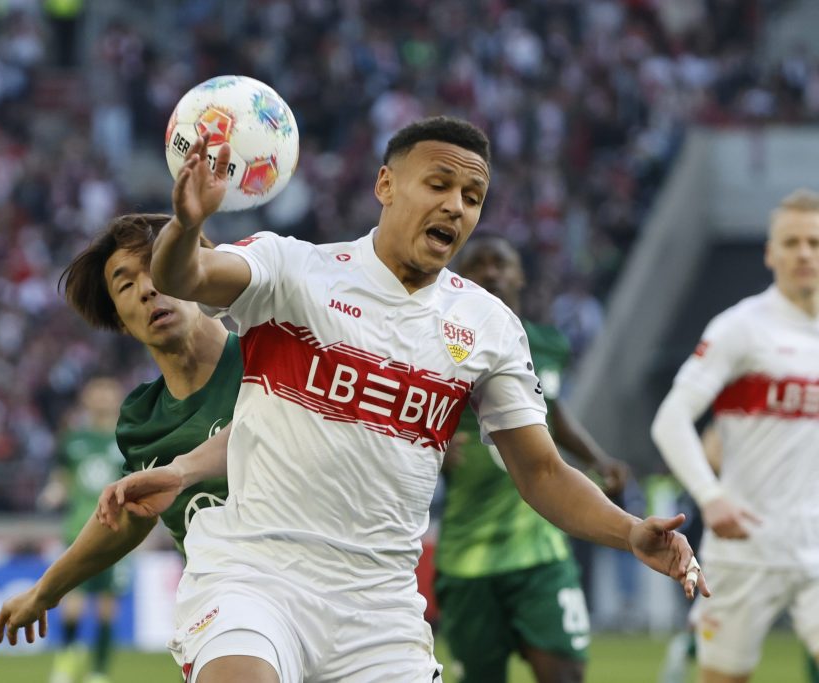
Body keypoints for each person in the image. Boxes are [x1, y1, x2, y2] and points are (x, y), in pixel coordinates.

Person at [101, 116, 707, 683]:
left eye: (472, 197)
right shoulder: (293, 270)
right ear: (385, 185)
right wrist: (185, 228)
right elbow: (186, 278)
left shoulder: (489, 327)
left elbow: (542, 472)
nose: (456, 206)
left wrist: (630, 531)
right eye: (438, 184)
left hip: (380, 606)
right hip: (256, 576)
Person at [0, 213, 240, 661]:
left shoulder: (272, 356)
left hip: (332, 589)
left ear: (199, 273)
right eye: (125, 285)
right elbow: (129, 516)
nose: (146, 289)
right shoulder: (141, 421)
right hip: (227, 612)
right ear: (121, 322)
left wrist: (181, 471)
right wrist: (45, 591)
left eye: (158, 268)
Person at [435, 234, 629, 683]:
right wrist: (432, 445)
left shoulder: (546, 345)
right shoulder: (434, 343)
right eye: (478, 264)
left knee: (566, 675)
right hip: (468, 555)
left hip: (540, 550)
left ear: (519, 275)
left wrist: (598, 459)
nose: (491, 272)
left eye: (501, 262)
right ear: (460, 279)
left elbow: (553, 411)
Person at [652, 188, 819, 683]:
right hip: (746, 549)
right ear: (770, 253)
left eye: (814, 242)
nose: (804, 253)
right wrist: (711, 497)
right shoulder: (740, 328)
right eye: (791, 242)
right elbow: (670, 419)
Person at [38, 376, 127, 683]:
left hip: (119, 534)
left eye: (107, 390)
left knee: (106, 606)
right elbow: (62, 478)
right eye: (96, 390)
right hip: (79, 530)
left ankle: (98, 673)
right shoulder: (73, 439)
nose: (102, 396)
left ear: (117, 397)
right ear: (85, 398)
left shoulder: (128, 437)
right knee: (72, 603)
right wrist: (53, 492)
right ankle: (66, 663)